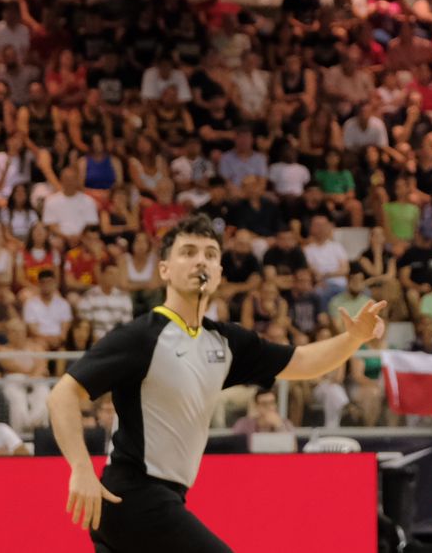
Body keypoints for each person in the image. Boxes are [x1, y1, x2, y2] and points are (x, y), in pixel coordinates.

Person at [52, 213, 387, 551]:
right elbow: (63, 393)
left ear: (219, 275)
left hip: (160, 500)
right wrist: (80, 468)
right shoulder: (142, 336)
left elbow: (301, 362)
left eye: (211, 255)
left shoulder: (226, 343)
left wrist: (352, 339)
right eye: (189, 252)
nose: (201, 261)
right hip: (132, 495)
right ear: (164, 269)